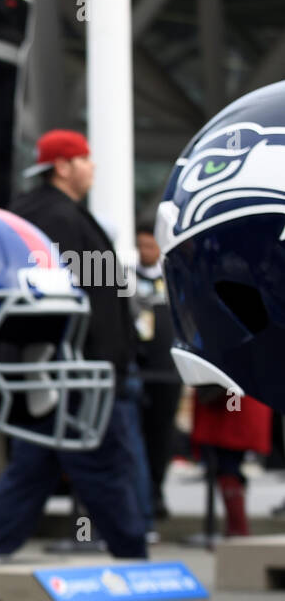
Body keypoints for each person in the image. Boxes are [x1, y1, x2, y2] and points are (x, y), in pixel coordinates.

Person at [0, 129, 147, 559]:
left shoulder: (41, 212)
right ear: (63, 166)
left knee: (35, 463)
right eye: (85, 159)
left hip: (55, 369)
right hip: (76, 370)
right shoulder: (57, 217)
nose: (93, 167)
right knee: (103, 462)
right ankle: (134, 556)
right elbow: (67, 297)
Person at [133, 223, 182, 523]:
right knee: (136, 433)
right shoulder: (124, 279)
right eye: (141, 246)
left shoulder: (173, 275)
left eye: (150, 246)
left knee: (162, 435)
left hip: (168, 370)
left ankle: (157, 491)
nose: (145, 252)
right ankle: (141, 496)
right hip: (140, 370)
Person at [190, 389, 274, 536]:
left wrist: (231, 404)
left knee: (228, 466)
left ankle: (238, 529)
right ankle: (236, 529)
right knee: (228, 465)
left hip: (232, 404)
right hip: (234, 403)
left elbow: (232, 382)